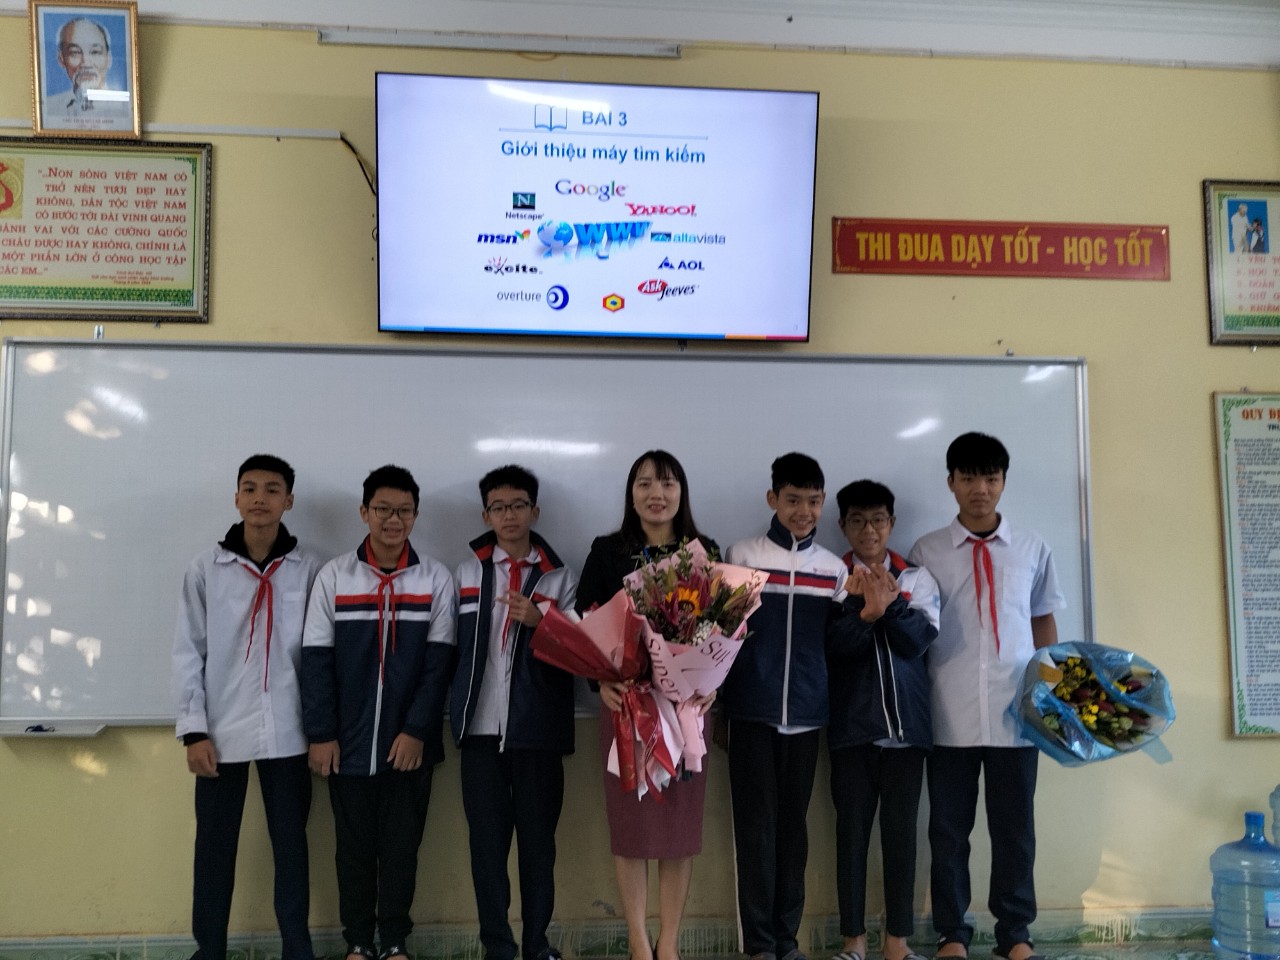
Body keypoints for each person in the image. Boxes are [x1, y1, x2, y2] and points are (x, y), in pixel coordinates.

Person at [907, 433, 1065, 960]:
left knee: (1015, 832)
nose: (980, 488)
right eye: (969, 477)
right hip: (948, 712)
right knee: (948, 831)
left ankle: (1015, 933)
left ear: (1003, 482)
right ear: (951, 482)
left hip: (1016, 715)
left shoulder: (1032, 548)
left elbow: (1043, 620)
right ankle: (952, 932)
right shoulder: (927, 551)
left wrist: (1051, 695)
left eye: (991, 478)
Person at [302, 465, 457, 960]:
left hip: (409, 747)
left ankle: (393, 942)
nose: (394, 519)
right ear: (364, 512)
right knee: (352, 851)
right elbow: (316, 662)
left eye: (404, 511)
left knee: (401, 850)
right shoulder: (333, 577)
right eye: (383, 509)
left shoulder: (435, 579)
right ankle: (357, 942)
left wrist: (416, 731)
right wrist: (321, 733)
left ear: (415, 515)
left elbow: (439, 666)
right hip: (345, 746)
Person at [172, 454, 320, 960]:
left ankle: (296, 948)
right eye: (250, 488)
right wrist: (194, 731)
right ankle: (209, 950)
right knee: (214, 850)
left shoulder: (309, 570)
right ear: (236, 498)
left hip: (290, 731)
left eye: (272, 489)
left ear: (288, 501)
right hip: (220, 731)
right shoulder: (206, 569)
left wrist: (322, 729)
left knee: (291, 848)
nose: (260, 498)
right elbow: (188, 651)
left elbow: (320, 656)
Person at [575, 450, 717, 960]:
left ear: (682, 492)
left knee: (680, 827)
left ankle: (669, 942)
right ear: (631, 493)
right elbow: (586, 621)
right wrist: (599, 681)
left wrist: (712, 682)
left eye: (668, 483)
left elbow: (723, 626)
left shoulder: (703, 552)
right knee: (631, 826)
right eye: (645, 484)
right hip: (627, 706)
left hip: (686, 711)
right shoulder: (607, 552)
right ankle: (638, 942)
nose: (657, 494)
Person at [721, 453, 848, 960]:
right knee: (755, 830)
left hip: (808, 715)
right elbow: (721, 637)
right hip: (751, 712)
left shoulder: (834, 570)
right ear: (772, 498)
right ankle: (758, 944)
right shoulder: (741, 556)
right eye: (793, 499)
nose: (803, 511)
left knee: (794, 830)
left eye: (813, 501)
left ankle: (786, 939)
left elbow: (839, 645)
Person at [450, 465, 579, 960]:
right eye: (499, 507)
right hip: (480, 729)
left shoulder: (560, 576)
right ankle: (498, 947)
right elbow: (452, 652)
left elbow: (579, 653)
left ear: (534, 511)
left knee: (538, 846)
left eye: (518, 505)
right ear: (486, 515)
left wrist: (542, 620)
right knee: (487, 847)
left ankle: (537, 945)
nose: (509, 515)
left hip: (537, 731)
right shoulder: (466, 573)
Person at [826, 480, 940, 960]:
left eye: (877, 520)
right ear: (843, 526)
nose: (868, 530)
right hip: (852, 732)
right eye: (857, 520)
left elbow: (919, 642)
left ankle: (897, 942)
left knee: (901, 839)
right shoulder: (833, 577)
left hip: (907, 733)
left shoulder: (916, 578)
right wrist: (863, 612)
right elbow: (834, 650)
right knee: (850, 837)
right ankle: (853, 941)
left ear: (891, 523)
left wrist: (887, 607)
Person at [40, 17, 131, 124]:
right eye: (75, 52)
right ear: (61, 59)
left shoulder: (127, 109)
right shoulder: (49, 107)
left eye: (95, 52)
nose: (86, 63)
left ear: (109, 59)